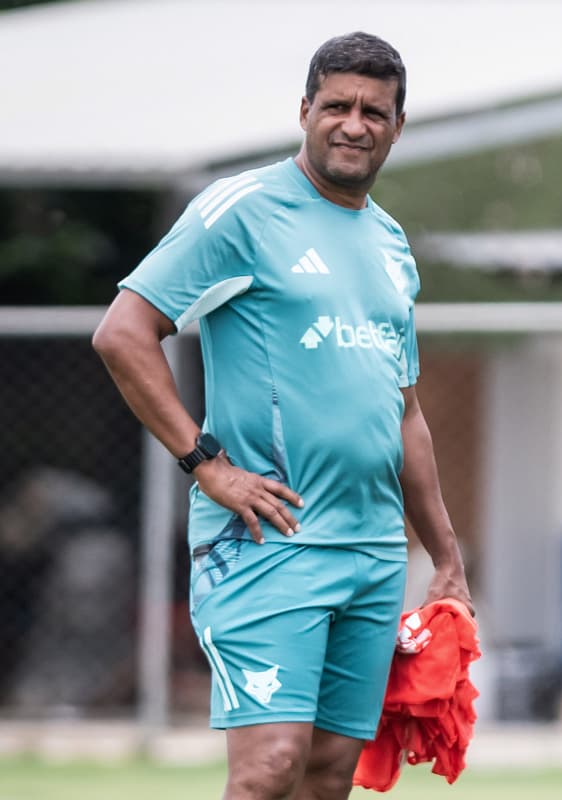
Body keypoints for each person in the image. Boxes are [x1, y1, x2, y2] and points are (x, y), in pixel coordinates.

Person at [93, 31, 472, 800]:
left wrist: (444, 555)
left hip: (371, 554)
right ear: (304, 111)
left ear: (398, 126)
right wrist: (207, 465)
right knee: (268, 768)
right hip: (268, 542)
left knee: (327, 778)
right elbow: (122, 334)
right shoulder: (243, 210)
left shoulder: (390, 243)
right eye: (337, 106)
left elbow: (406, 414)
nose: (354, 124)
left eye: (374, 111)